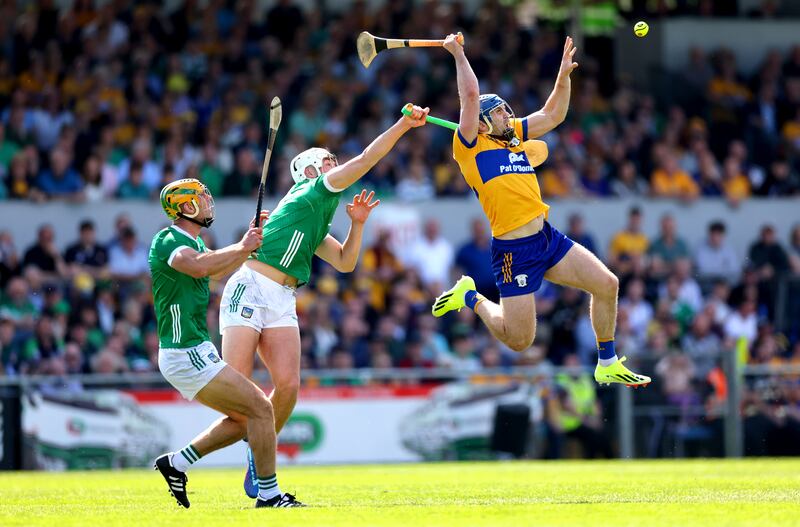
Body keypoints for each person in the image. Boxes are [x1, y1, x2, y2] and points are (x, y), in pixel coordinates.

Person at [218, 105, 429, 499]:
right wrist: (403, 125)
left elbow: (347, 263)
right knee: (236, 391)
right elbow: (366, 159)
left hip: (282, 296)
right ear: (311, 170)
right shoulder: (311, 191)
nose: (336, 164)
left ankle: (256, 451)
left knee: (289, 386)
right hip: (251, 285)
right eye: (329, 160)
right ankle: (185, 458)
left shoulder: (318, 213)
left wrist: (359, 224)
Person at [432, 34, 649, 388]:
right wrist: (458, 53)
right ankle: (469, 295)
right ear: (482, 122)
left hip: (547, 238)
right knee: (520, 340)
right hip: (513, 254)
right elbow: (470, 96)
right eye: (499, 111)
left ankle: (607, 360)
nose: (507, 113)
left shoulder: (514, 135)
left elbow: (553, 114)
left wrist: (563, 76)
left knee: (607, 284)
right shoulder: (468, 146)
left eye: (505, 108)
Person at [149, 178, 304, 508]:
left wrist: (248, 244)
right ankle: (269, 495)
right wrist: (242, 246)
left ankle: (177, 463)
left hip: (195, 351)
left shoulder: (200, 245)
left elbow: (218, 268)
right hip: (184, 352)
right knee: (262, 408)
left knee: (246, 418)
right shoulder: (168, 240)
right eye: (201, 199)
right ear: (186, 207)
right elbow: (196, 267)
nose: (208, 204)